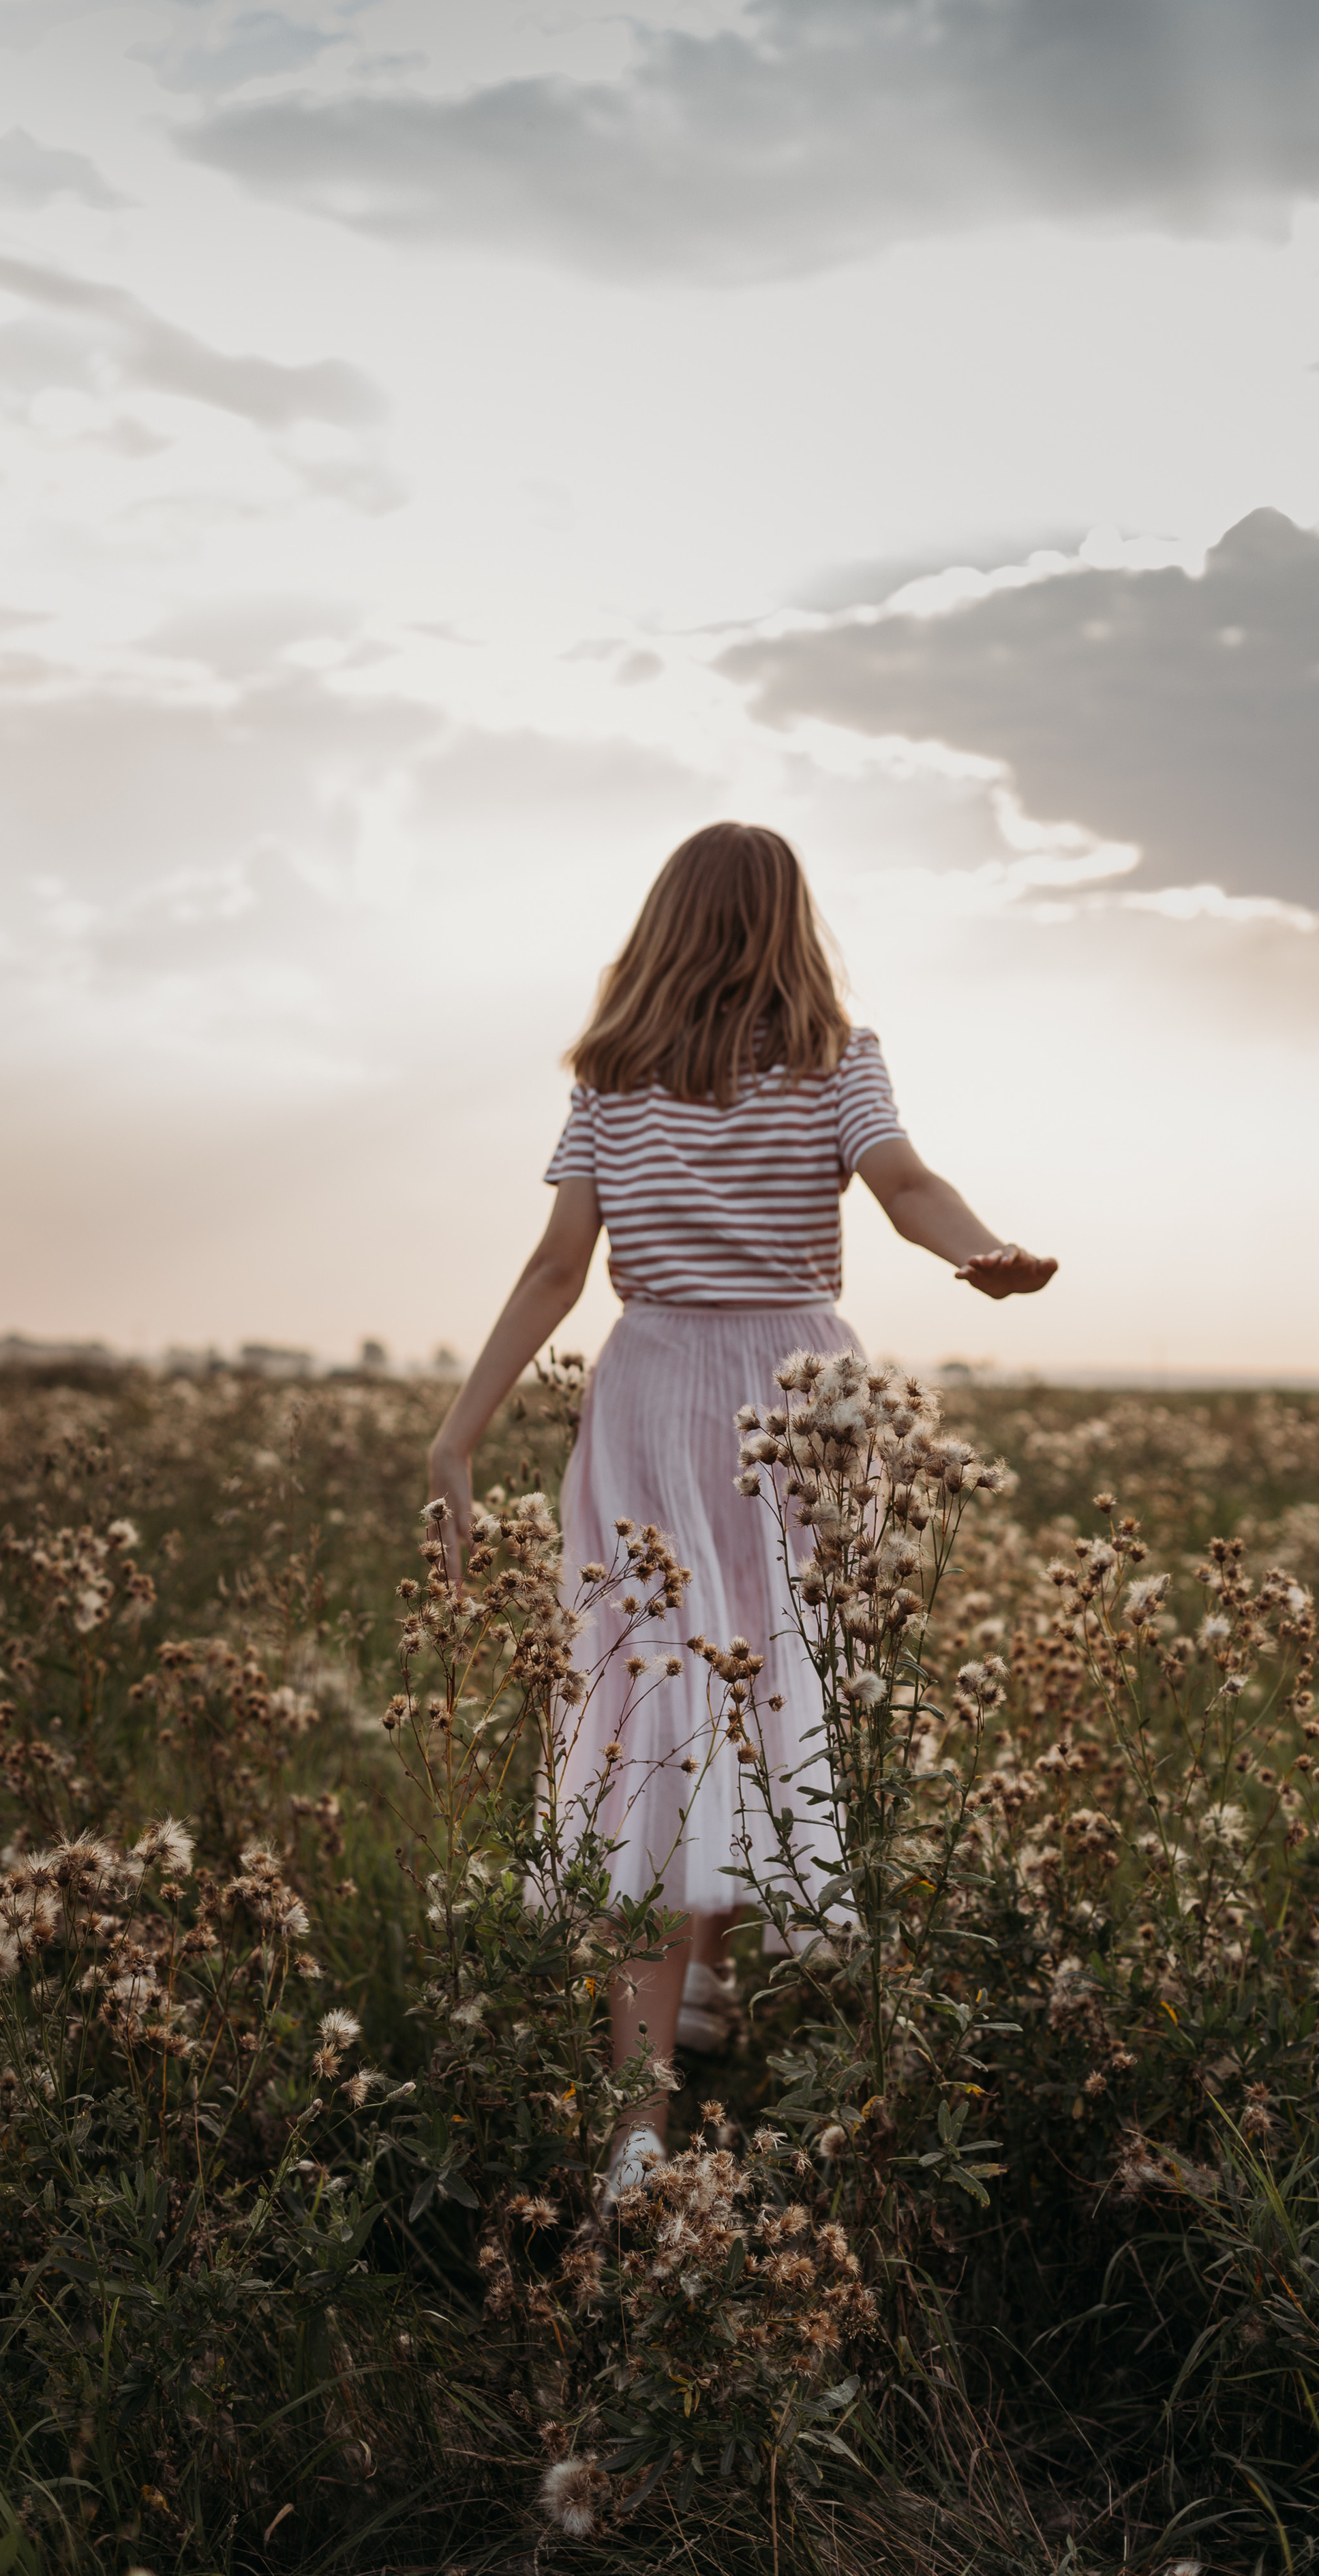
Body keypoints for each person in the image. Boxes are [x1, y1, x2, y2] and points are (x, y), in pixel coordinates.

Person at [427, 822, 1055, 2198]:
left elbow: (555, 1269)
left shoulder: (610, 1079)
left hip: (653, 1387)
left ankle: (642, 2120)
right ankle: (679, 2039)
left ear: (664, 923)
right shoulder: (839, 1059)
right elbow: (905, 1188)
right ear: (788, 923)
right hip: (799, 1386)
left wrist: (456, 1434)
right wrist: (983, 1252)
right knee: (767, 1681)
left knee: (658, 1706)